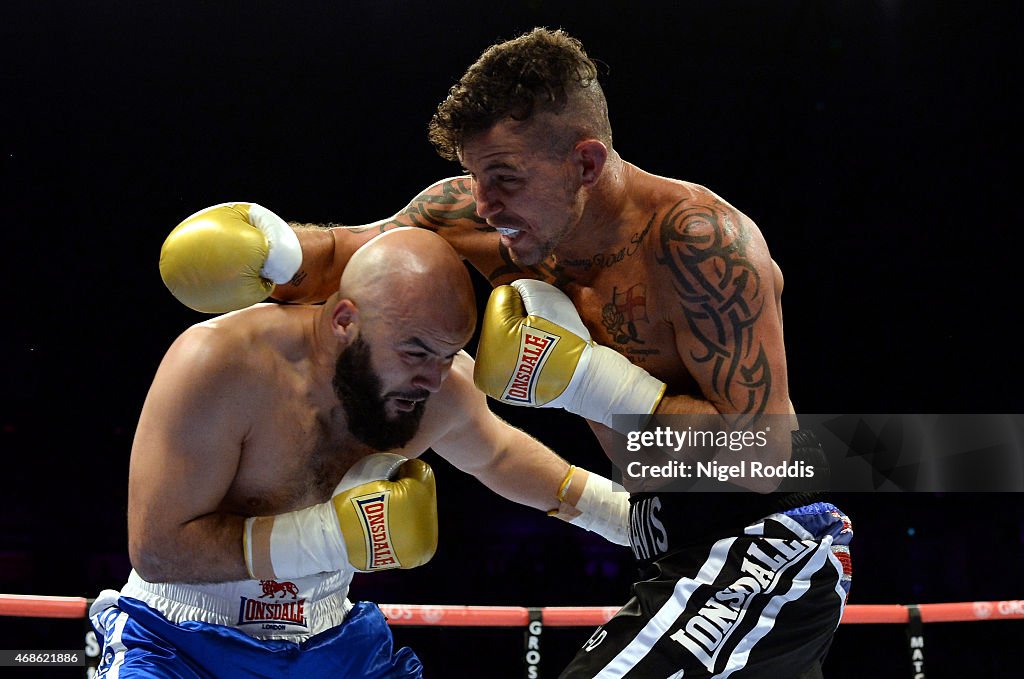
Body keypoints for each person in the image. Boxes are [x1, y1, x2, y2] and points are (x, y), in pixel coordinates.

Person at [159, 29, 853, 678]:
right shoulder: (482, 214)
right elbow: (357, 252)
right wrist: (274, 249)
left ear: (585, 162)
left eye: (505, 179)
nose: (484, 205)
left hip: (766, 540)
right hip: (666, 547)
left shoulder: (700, 243)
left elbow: (763, 454)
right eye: (475, 177)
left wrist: (589, 382)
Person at [96, 222, 632, 678]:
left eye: (448, 354)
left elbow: (500, 457)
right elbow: (159, 550)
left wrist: (636, 520)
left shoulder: (437, 388)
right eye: (416, 351)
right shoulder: (221, 363)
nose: (433, 377)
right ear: (344, 321)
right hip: (180, 640)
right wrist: (330, 538)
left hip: (330, 643)